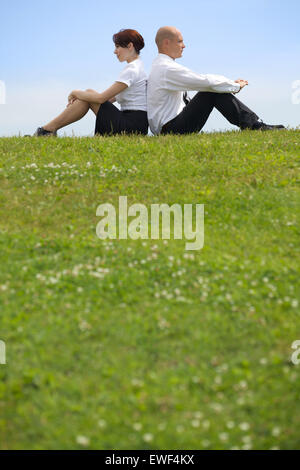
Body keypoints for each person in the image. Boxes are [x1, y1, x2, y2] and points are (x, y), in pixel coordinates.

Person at [147, 26, 285, 135]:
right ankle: (255, 126)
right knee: (210, 91)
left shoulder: (162, 66)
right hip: (171, 130)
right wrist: (235, 85)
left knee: (211, 90)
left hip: (171, 127)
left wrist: (228, 85)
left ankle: (255, 124)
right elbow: (206, 82)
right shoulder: (166, 69)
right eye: (180, 41)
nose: (184, 45)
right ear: (166, 43)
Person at [34, 29, 148, 137]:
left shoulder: (132, 70)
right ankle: (48, 130)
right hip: (135, 124)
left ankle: (47, 130)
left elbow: (100, 99)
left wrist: (75, 92)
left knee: (89, 93)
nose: (114, 51)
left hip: (132, 126)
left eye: (117, 47)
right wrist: (84, 97)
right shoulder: (137, 67)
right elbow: (107, 99)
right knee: (89, 95)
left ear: (130, 46)